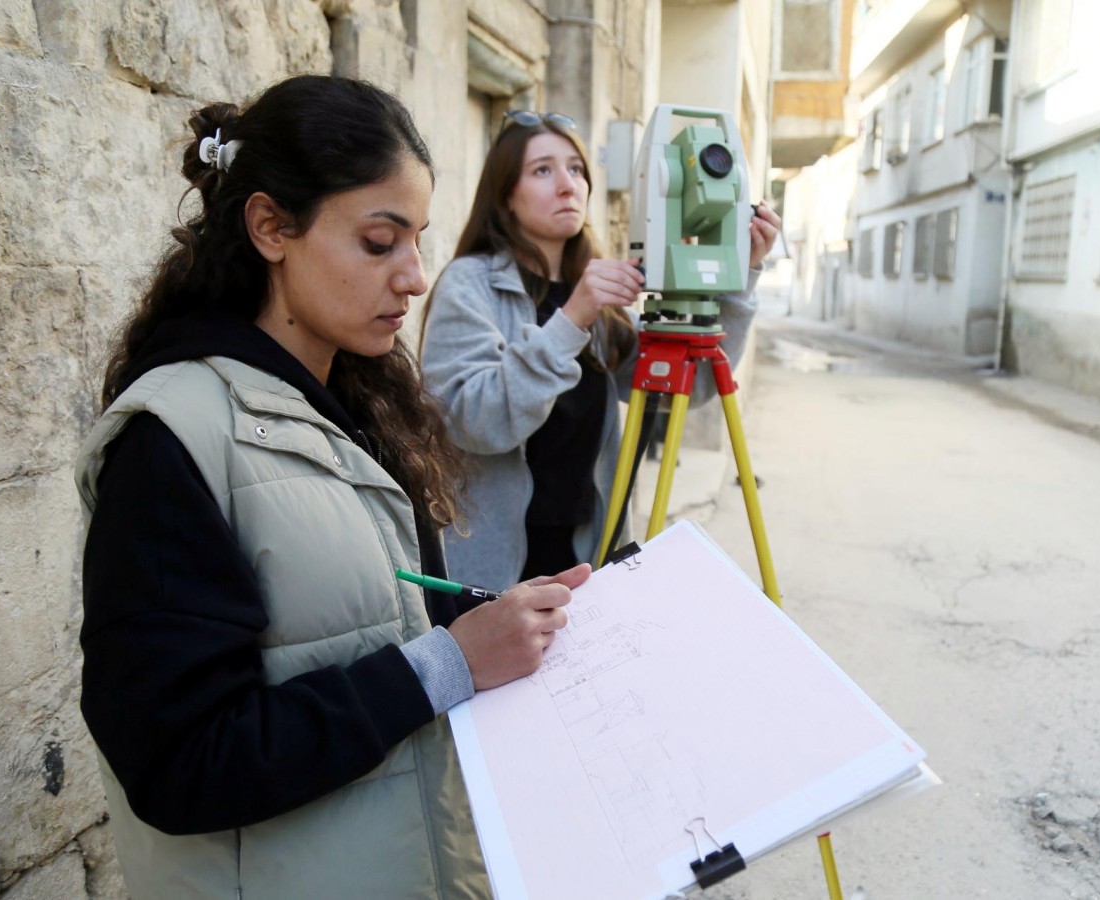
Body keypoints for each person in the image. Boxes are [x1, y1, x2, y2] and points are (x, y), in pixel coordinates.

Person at [73, 76, 583, 899]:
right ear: (271, 226)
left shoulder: (353, 400)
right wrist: (449, 662)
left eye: (418, 239)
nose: (415, 278)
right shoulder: (171, 440)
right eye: (380, 243)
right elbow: (178, 764)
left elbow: (368, 613)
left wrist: (495, 617)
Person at [420, 110, 781, 590]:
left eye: (575, 169)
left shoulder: (595, 296)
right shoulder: (471, 285)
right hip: (499, 573)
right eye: (542, 170)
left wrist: (741, 276)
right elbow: (476, 422)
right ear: (505, 195)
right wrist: (571, 320)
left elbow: (689, 389)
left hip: (589, 558)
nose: (567, 185)